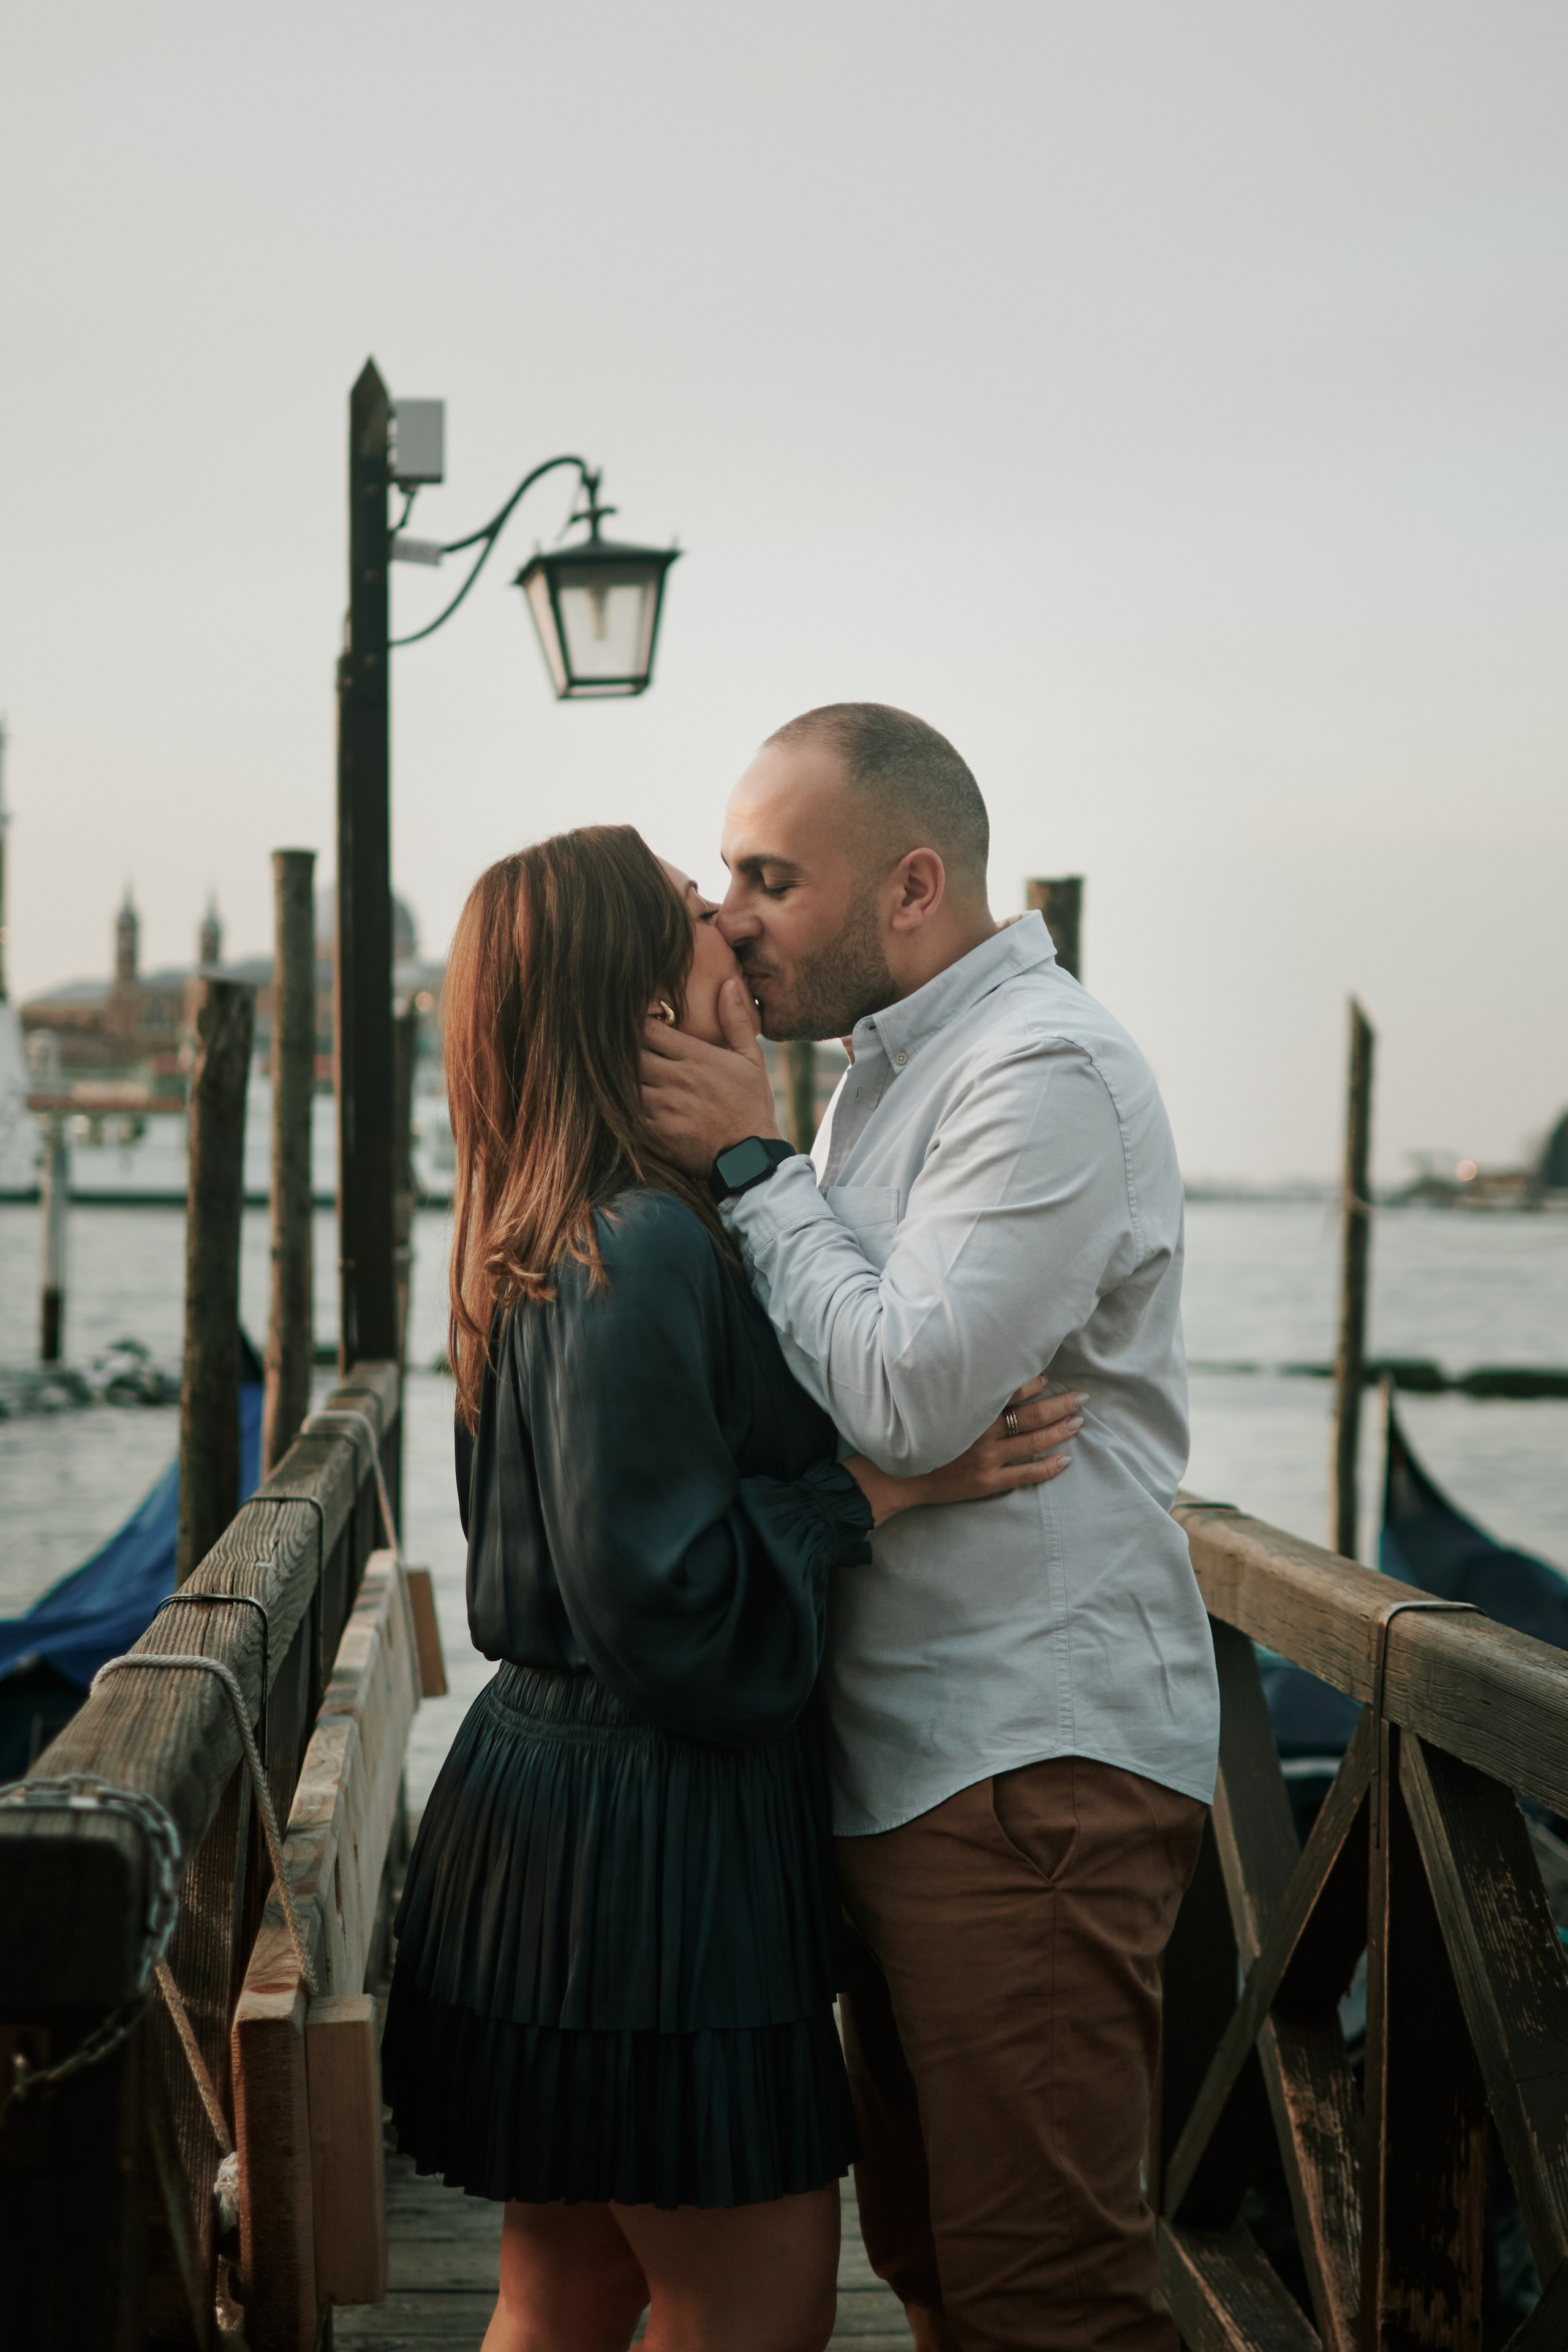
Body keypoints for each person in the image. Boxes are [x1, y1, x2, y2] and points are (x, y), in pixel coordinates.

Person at [380, 824, 1083, 2352]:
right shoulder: (640, 1242)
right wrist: (880, 1487)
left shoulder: (549, 1227)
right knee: (751, 2323)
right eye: (701, 911)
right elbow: (673, 1607)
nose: (736, 933)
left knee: (564, 2292)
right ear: (639, 998)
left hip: (554, 1814)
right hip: (650, 1849)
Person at [640, 705, 1222, 2352]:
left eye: (770, 876)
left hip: (1024, 1770)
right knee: (940, 2277)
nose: (732, 911)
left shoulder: (1045, 1074)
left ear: (911, 885)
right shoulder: (880, 1084)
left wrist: (752, 1163)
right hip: (910, 1766)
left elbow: (903, 1398)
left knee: (1049, 2305)